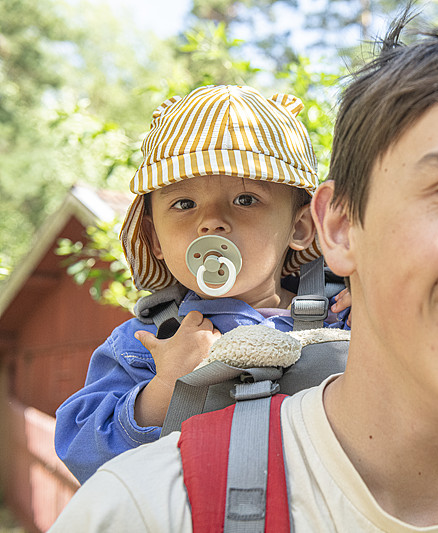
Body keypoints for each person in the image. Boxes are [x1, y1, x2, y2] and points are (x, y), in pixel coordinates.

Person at [50, 17, 438, 532]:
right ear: (340, 227)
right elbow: (82, 442)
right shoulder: (147, 388)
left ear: (304, 226)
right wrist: (163, 385)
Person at [54, 85, 350, 484]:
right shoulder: (145, 342)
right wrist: (164, 388)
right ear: (155, 239)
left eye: (245, 200)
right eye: (184, 204)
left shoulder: (341, 321)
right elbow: (81, 451)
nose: (211, 221)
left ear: (299, 227)